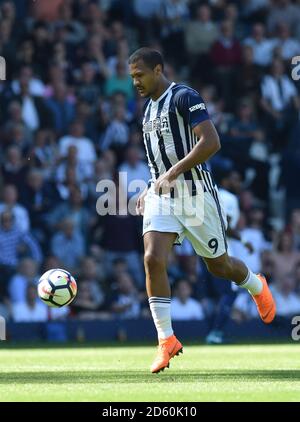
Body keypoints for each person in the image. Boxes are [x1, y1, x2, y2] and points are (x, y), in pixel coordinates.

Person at [128, 47, 276, 373]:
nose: (135, 82)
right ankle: (166, 340)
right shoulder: (147, 110)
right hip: (163, 195)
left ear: (158, 69)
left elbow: (211, 143)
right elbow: (159, 161)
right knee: (153, 259)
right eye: (132, 77)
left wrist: (174, 172)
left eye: (140, 75)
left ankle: (255, 285)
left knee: (219, 266)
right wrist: (152, 186)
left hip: (196, 195)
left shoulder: (185, 96)